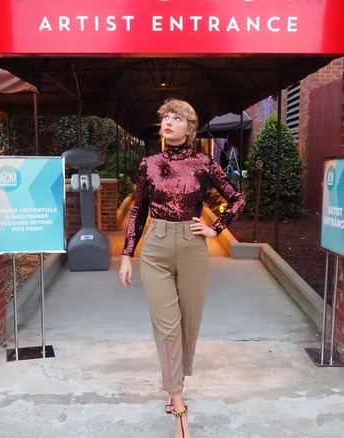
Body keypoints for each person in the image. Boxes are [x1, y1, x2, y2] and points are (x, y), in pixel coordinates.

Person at [119, 99, 244, 438]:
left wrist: (215, 228)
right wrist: (127, 255)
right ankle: (179, 407)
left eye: (177, 118)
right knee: (167, 326)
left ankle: (174, 382)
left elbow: (237, 198)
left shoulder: (204, 163)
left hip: (192, 249)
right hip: (157, 248)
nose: (169, 122)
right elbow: (138, 211)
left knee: (188, 327)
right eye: (165, 117)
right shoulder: (150, 163)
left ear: (190, 127)